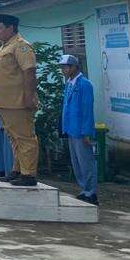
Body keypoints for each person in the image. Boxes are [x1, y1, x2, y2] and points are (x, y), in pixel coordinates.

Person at [0, 14, 39, 187]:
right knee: (14, 138)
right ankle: (18, 170)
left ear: (10, 28)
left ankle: (29, 174)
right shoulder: (4, 48)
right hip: (4, 102)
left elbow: (29, 72)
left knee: (25, 138)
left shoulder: (21, 46)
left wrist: (28, 96)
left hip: (17, 102)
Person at [58, 54, 97, 204]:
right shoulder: (69, 84)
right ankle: (84, 189)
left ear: (75, 67)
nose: (63, 70)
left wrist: (87, 132)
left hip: (81, 130)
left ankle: (91, 191)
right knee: (77, 162)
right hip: (70, 128)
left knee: (86, 161)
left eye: (66, 67)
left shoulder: (84, 85)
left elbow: (87, 110)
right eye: (62, 67)